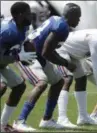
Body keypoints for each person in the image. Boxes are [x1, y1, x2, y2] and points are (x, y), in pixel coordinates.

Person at [13, 3, 81, 131]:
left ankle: (47, 120)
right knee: (41, 83)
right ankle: (20, 121)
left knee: (58, 82)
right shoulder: (62, 27)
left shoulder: (56, 20)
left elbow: (47, 49)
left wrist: (63, 62)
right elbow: (46, 52)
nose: (79, 20)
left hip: (37, 53)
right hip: (27, 54)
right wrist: (66, 63)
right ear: (71, 15)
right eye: (78, 17)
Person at [55, 11, 97, 126]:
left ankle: (83, 117)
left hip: (75, 55)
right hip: (61, 49)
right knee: (68, 79)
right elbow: (96, 69)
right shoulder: (96, 40)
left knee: (81, 79)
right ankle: (62, 118)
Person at [0, 2, 34, 132]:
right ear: (20, 15)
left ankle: (3, 126)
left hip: (2, 64)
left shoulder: (23, 27)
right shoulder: (7, 31)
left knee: (19, 86)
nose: (31, 16)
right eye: (28, 13)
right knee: (1, 86)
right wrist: (18, 57)